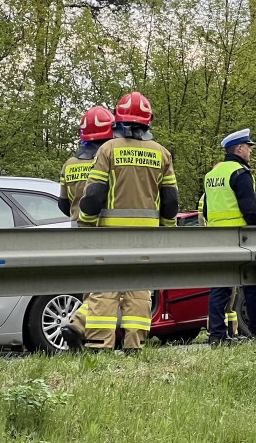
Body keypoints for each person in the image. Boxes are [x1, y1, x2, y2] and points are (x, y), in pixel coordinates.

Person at [69, 92, 179, 353]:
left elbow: (94, 195)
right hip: (147, 239)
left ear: (119, 121)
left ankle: (99, 346)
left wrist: (86, 223)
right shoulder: (162, 154)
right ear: (147, 121)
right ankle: (134, 346)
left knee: (105, 291)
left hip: (110, 237)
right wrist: (167, 230)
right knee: (139, 292)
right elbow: (171, 201)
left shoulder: (108, 149)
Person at [56, 106, 114, 350]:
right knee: (107, 287)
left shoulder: (69, 164)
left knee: (90, 287)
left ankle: (84, 335)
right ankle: (82, 328)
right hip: (101, 229)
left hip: (77, 232)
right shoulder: (106, 159)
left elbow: (62, 203)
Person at [201, 129, 256, 345]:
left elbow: (207, 211)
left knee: (220, 288)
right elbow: (249, 209)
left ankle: (217, 336)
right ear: (239, 148)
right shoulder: (240, 173)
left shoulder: (212, 175)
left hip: (217, 238)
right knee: (252, 287)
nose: (250, 151)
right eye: (248, 147)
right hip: (242, 238)